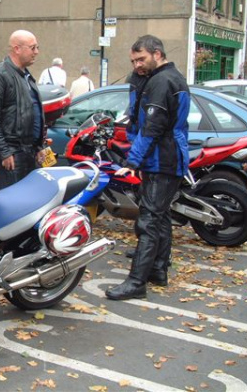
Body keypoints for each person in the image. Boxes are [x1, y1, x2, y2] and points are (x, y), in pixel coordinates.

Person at [105, 34, 190, 301]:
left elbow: (151, 128)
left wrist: (133, 161)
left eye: (141, 59)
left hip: (162, 158)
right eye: (133, 60)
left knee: (149, 221)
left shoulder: (162, 81)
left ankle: (136, 282)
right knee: (160, 216)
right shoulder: (167, 78)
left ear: (157, 53)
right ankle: (157, 269)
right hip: (167, 157)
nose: (137, 65)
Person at [0, 30, 47, 190]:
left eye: (37, 47)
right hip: (10, 154)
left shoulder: (25, 76)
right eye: (33, 48)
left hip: (28, 151)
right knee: (13, 204)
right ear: (17, 49)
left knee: (32, 200)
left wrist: (38, 146)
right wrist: (4, 152)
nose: (36, 52)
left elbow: (32, 113)